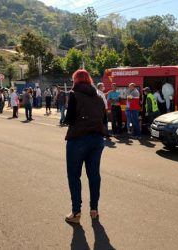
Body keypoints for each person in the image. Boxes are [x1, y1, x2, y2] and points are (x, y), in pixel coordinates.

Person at [63, 69, 106, 223]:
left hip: (78, 139)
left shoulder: (74, 94)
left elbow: (69, 120)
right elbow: (104, 120)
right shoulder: (99, 97)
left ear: (76, 80)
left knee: (74, 176)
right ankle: (94, 209)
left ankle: (76, 212)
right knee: (94, 175)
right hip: (97, 140)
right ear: (89, 80)